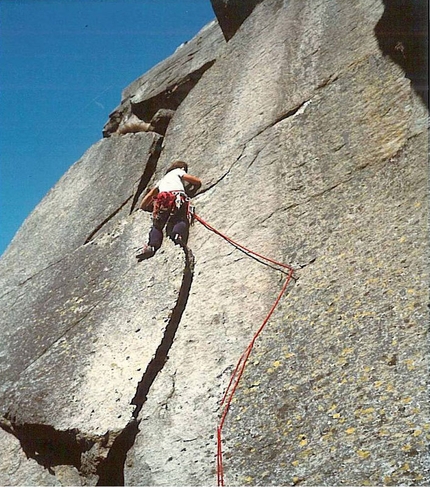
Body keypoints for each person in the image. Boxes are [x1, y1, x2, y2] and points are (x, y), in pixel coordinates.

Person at [136, 161, 202, 260]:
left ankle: (152, 246)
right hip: (176, 197)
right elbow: (196, 181)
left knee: (157, 225)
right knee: (180, 218)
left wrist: (142, 206)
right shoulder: (178, 171)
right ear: (182, 168)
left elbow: (150, 195)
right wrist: (194, 186)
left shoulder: (162, 180)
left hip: (162, 200)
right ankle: (177, 235)